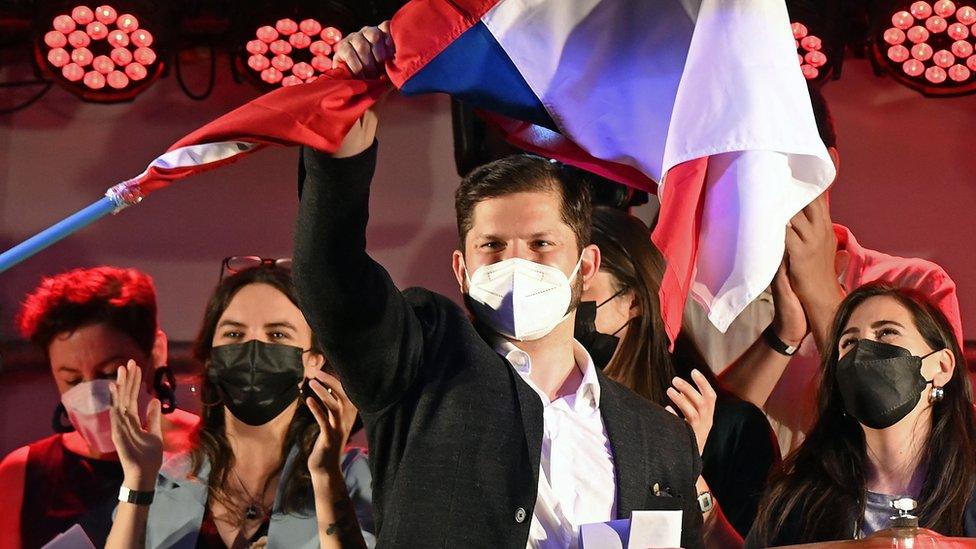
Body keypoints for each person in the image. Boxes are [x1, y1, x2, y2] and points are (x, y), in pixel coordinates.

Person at [291, 24, 704, 548]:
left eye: (540, 244)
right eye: (492, 246)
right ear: (462, 269)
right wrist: (341, 153)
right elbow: (330, 277)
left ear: (585, 264)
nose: (516, 261)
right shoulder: (421, 364)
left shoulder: (660, 435)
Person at [686, 87, 964, 455]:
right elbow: (702, 445)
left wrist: (821, 292)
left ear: (826, 167)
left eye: (778, 166)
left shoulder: (916, 286)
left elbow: (936, 432)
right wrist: (781, 339)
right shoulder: (697, 297)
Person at [105, 265, 374, 548]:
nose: (254, 349)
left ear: (313, 361)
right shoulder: (164, 482)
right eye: (234, 335)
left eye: (277, 335)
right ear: (210, 357)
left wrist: (326, 476)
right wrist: (137, 480)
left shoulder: (354, 476)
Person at [577, 206, 778, 541]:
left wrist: (683, 467)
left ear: (635, 302)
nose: (565, 312)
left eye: (581, 290)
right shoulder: (545, 413)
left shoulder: (730, 430)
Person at [745, 283, 976, 547]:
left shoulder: (969, 485)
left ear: (942, 367)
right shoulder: (795, 501)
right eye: (849, 342)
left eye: (887, 332)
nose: (862, 351)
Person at [0, 266, 199, 549]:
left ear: (155, 354)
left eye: (109, 374)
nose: (92, 398)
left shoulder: (210, 451)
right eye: (73, 380)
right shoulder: (24, 472)